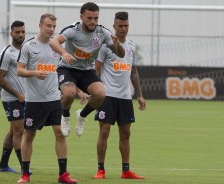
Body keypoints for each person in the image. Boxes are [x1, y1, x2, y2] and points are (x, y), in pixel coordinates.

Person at [16, 14, 77, 184]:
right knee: (29, 135)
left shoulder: (57, 47)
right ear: (40, 25)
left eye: (53, 26)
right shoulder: (29, 46)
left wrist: (78, 90)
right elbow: (19, 70)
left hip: (54, 99)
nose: (51, 29)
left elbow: (65, 71)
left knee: (60, 133)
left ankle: (63, 174)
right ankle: (25, 174)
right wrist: (34, 72)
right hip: (34, 101)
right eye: (48, 26)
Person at [49, 2, 125, 137]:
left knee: (100, 94)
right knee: (69, 94)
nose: (93, 21)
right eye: (89, 18)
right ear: (81, 17)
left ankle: (82, 116)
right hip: (68, 68)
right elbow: (53, 42)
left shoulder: (103, 32)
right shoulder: (73, 30)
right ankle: (65, 116)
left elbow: (121, 54)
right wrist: (64, 53)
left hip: (86, 70)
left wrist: (117, 45)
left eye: (96, 18)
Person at [93, 12, 146, 179]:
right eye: (120, 26)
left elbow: (134, 72)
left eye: (126, 26)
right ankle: (101, 169)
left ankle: (126, 170)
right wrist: (96, 89)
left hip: (125, 97)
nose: (124, 29)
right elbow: (96, 69)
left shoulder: (130, 45)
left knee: (125, 134)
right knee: (104, 131)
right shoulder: (105, 46)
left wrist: (139, 95)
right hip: (107, 96)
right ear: (114, 26)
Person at [0, 20, 25, 173]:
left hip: (24, 97)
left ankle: (3, 165)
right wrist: (18, 94)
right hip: (11, 98)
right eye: (17, 32)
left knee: (14, 132)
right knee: (19, 131)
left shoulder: (26, 50)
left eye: (23, 32)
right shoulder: (7, 52)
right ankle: (24, 167)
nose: (20, 34)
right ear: (11, 33)